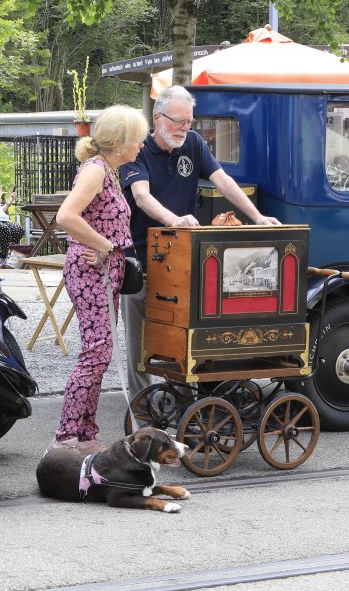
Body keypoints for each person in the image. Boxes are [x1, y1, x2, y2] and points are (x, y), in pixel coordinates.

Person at [119, 85, 280, 403]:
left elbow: (223, 181)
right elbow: (141, 196)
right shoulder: (137, 150)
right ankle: (141, 408)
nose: (184, 128)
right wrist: (174, 220)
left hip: (180, 261)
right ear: (157, 117)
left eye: (189, 121)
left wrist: (257, 217)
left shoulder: (193, 144)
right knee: (140, 342)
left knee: (182, 335)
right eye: (178, 121)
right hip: (141, 259)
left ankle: (183, 402)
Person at [50, 104, 150, 454]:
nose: (141, 145)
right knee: (95, 353)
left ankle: (85, 434)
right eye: (137, 139)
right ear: (120, 143)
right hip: (93, 271)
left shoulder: (109, 169)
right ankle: (66, 436)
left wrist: (105, 248)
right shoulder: (95, 170)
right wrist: (104, 245)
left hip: (104, 270)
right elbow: (66, 216)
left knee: (101, 353)